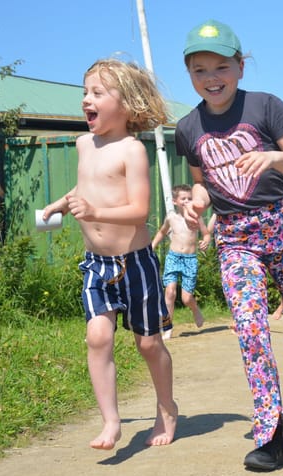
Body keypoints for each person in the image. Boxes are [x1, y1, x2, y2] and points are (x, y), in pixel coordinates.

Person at [174, 19, 283, 471]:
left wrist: (272, 156)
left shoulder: (265, 106)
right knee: (249, 327)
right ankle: (273, 433)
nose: (212, 77)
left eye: (221, 66)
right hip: (233, 238)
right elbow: (202, 181)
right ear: (189, 74)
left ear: (240, 67)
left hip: (280, 228)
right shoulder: (187, 127)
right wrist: (198, 203)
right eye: (200, 69)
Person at [42, 58, 177, 450]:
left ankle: (167, 407)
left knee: (148, 343)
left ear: (129, 104)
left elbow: (140, 212)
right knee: (97, 336)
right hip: (96, 265)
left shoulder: (132, 150)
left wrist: (96, 212)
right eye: (85, 92)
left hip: (135, 264)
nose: (87, 100)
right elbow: (86, 189)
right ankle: (110, 420)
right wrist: (60, 204)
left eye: (98, 93)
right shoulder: (85, 144)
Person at [151, 184, 211, 339]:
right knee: (169, 292)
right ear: (175, 201)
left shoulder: (197, 218)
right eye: (183, 198)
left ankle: (195, 309)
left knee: (186, 298)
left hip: (190, 260)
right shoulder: (171, 218)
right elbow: (162, 232)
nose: (186, 201)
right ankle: (168, 327)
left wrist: (205, 241)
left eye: (189, 198)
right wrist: (151, 247)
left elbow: (206, 234)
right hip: (173, 257)